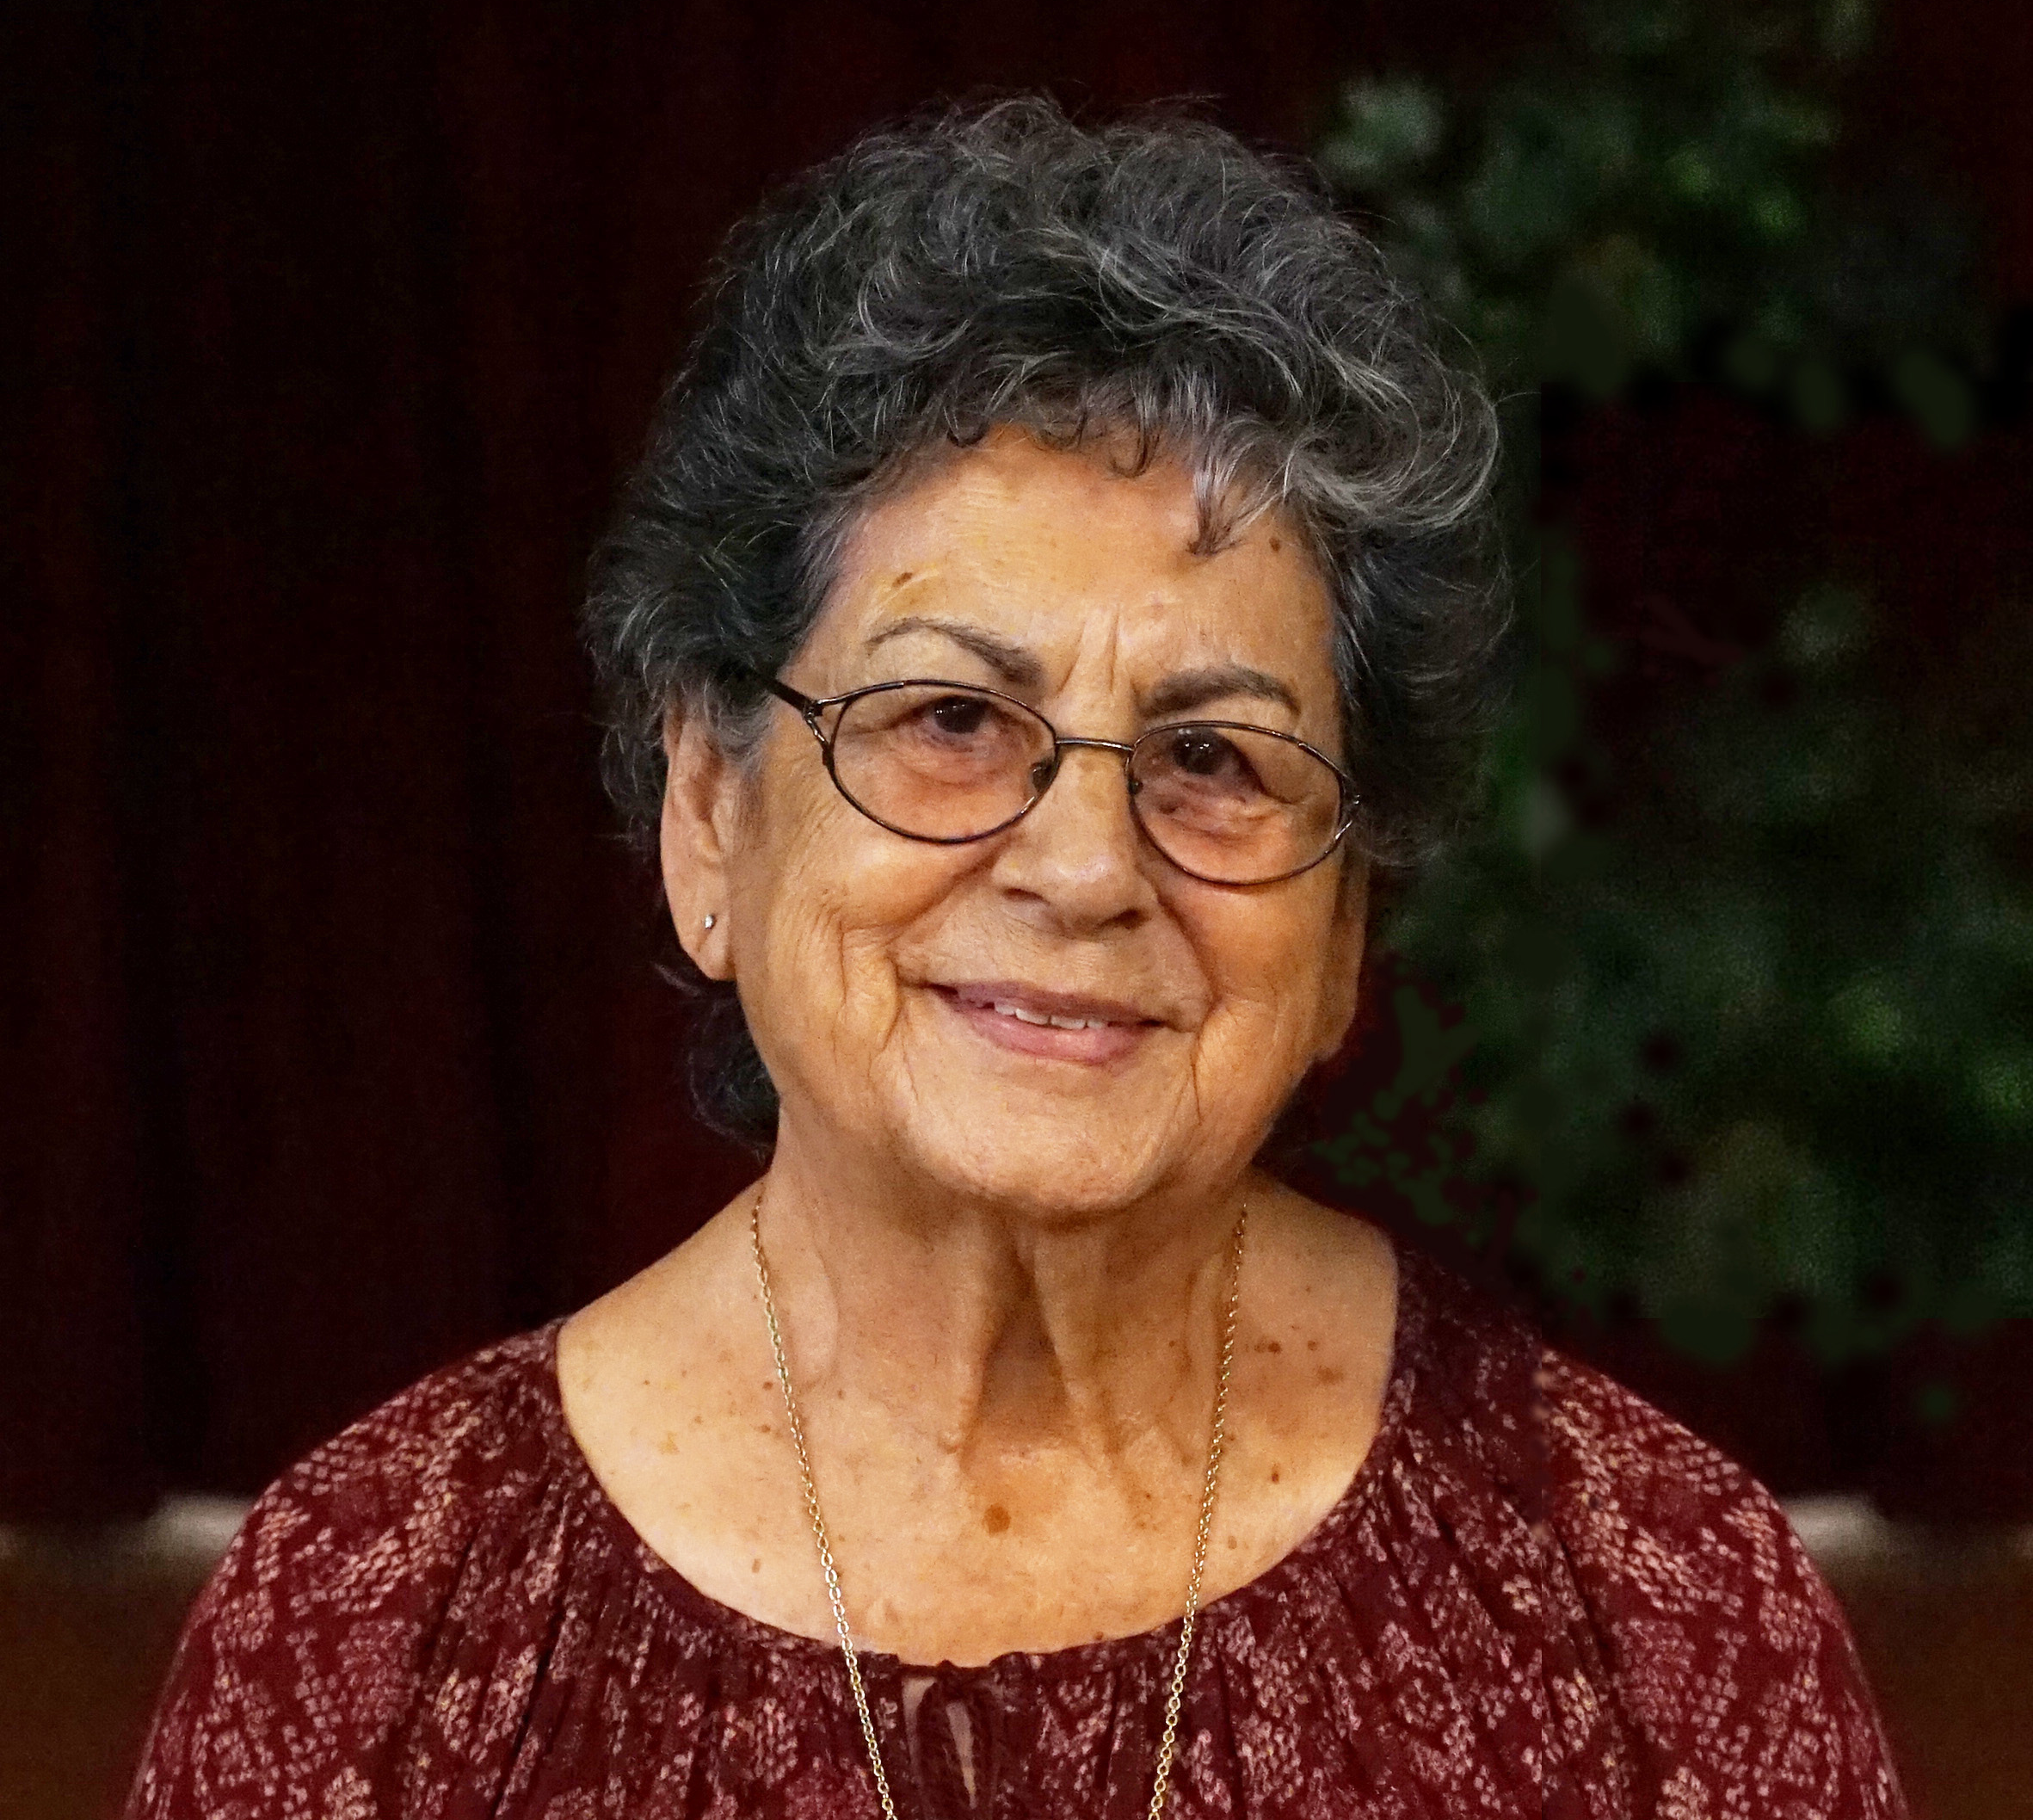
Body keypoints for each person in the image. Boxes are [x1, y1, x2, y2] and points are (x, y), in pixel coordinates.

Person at [126, 100, 1907, 1819]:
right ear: (707, 816)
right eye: (953, 720)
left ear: (1345, 924)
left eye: (1212, 757)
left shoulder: (1653, 1616)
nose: (1084, 867)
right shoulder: (371, 1640)